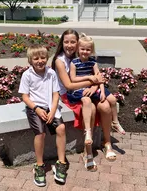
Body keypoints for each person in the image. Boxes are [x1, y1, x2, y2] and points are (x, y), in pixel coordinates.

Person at [51, 29, 117, 171]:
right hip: (69, 96)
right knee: (91, 108)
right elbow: (69, 85)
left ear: (78, 43)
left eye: (73, 42)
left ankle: (107, 144)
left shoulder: (81, 55)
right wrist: (91, 81)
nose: (69, 45)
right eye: (66, 42)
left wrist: (94, 86)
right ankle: (88, 152)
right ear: (61, 43)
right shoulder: (59, 61)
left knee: (105, 107)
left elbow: (97, 76)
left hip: (86, 92)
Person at [19, 45, 68, 187]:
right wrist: (36, 109)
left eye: (43, 58)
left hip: (50, 107)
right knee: (40, 134)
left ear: (47, 58)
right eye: (36, 58)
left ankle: (61, 163)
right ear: (30, 60)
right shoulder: (27, 75)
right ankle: (39, 165)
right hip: (35, 108)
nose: (40, 61)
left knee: (61, 128)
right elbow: (25, 97)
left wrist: (53, 110)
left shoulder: (51, 73)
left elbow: (55, 93)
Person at [68, 33, 125, 143]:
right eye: (82, 49)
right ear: (78, 49)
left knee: (112, 100)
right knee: (86, 100)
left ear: (92, 50)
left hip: (93, 87)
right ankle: (88, 131)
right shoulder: (74, 63)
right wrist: (89, 77)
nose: (85, 52)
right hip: (80, 89)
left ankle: (115, 122)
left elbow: (99, 79)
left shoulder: (93, 62)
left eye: (88, 50)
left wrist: (102, 92)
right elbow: (73, 79)